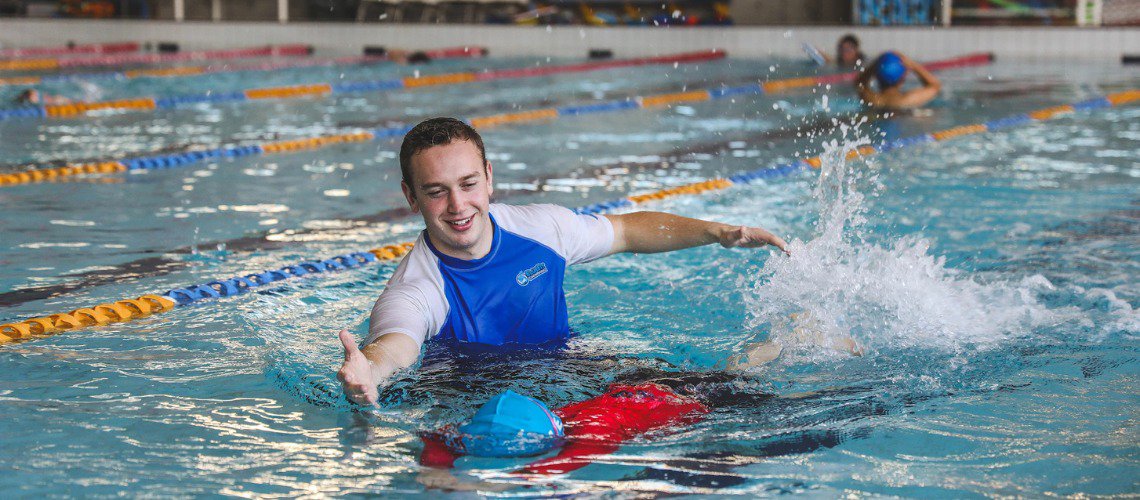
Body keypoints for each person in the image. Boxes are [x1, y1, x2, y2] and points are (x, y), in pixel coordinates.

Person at [338, 117, 790, 405]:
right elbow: (396, 342)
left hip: (568, 372)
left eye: (468, 184)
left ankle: (769, 355)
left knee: (729, 397)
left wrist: (718, 233)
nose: (458, 205)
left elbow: (629, 230)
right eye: (436, 191)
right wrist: (371, 369)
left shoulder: (542, 229)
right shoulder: (417, 288)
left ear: (490, 179)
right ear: (410, 197)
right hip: (475, 399)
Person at [855, 51, 942, 111]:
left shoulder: (871, 99)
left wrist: (875, 64)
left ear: (876, 77)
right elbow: (935, 86)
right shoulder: (908, 100)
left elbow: (859, 83)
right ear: (902, 79)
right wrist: (914, 66)